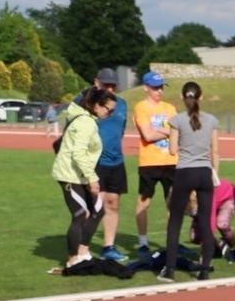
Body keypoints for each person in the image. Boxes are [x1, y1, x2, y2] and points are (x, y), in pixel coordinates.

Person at [60, 69, 129, 262]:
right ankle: (82, 249)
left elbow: (120, 130)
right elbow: (71, 131)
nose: (110, 88)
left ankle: (108, 247)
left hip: (116, 160)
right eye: (106, 84)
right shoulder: (82, 103)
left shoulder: (121, 104)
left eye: (113, 85)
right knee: (92, 208)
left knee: (112, 204)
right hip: (93, 162)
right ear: (96, 83)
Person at [49, 87, 116, 272]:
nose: (110, 114)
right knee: (80, 214)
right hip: (70, 175)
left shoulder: (90, 120)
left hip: (81, 174)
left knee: (98, 210)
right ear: (96, 105)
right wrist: (92, 179)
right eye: (108, 110)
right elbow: (78, 154)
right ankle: (72, 259)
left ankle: (83, 251)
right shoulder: (86, 122)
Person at [159, 81, 219, 283]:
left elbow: (173, 150)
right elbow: (215, 150)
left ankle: (170, 269)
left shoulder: (177, 120)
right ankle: (204, 270)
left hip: (185, 171)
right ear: (200, 97)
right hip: (204, 172)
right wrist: (214, 172)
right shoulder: (211, 120)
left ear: (183, 98)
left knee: (175, 220)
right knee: (204, 221)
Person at [134, 70, 177, 259]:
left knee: (173, 204)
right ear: (146, 88)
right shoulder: (141, 107)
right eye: (155, 87)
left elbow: (178, 132)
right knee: (144, 202)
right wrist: (167, 131)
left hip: (171, 161)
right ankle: (143, 242)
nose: (159, 91)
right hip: (149, 162)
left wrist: (161, 130)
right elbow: (148, 135)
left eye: (161, 87)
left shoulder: (170, 108)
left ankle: (171, 242)